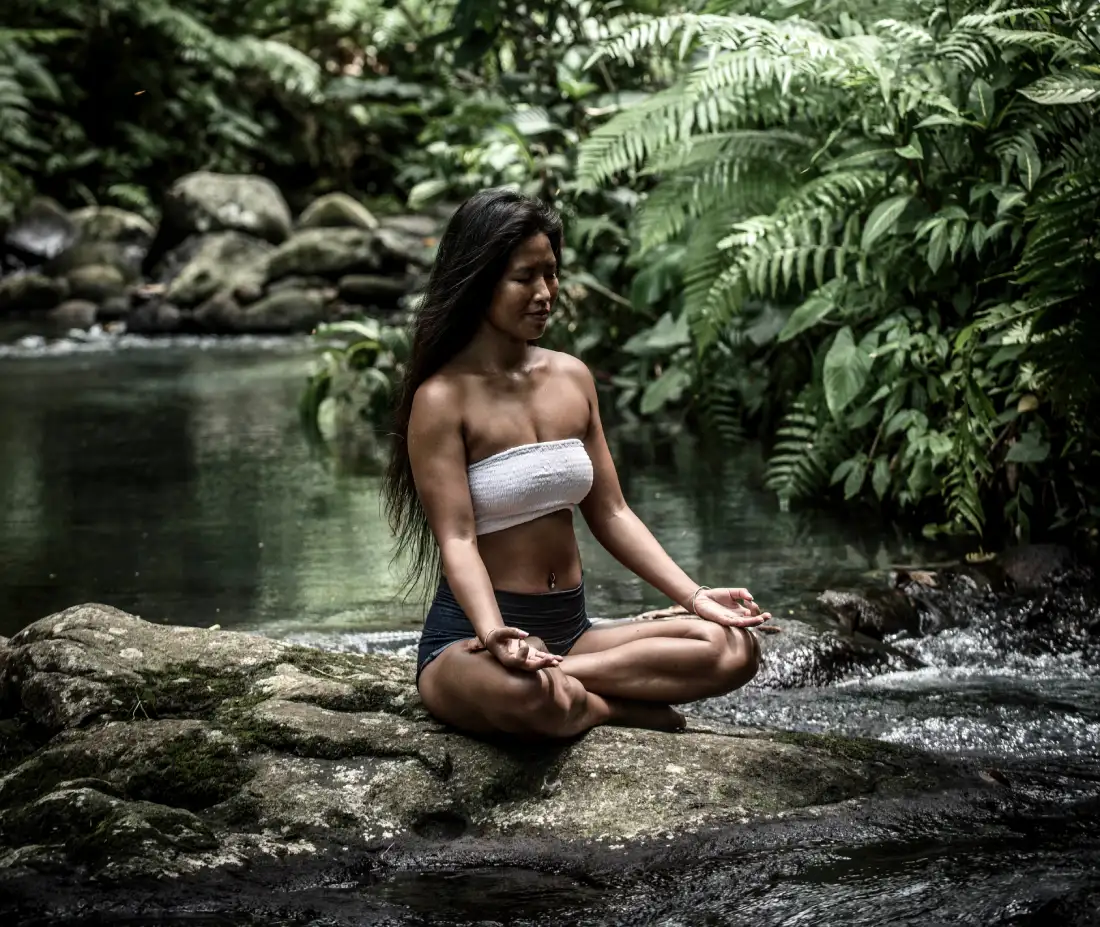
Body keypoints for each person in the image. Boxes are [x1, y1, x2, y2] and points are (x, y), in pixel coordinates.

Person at [383, 188, 769, 739]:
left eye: (552, 274)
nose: (545, 293)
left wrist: (694, 596)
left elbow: (611, 512)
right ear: (479, 280)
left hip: (572, 632)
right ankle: (615, 706)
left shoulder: (572, 378)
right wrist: (496, 634)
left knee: (732, 648)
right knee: (528, 695)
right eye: (524, 278)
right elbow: (458, 540)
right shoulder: (442, 399)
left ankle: (576, 689)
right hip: (472, 640)